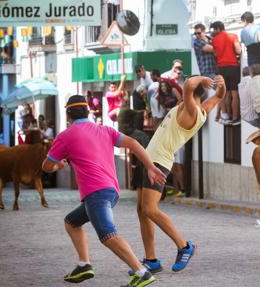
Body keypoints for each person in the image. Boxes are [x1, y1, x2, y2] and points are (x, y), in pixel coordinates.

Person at [41, 95, 166, 286]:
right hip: (111, 191)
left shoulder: (65, 136)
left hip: (96, 193)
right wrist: (150, 166)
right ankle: (84, 265)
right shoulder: (105, 130)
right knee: (72, 222)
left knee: (108, 235)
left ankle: (142, 273)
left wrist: (59, 166)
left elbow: (47, 166)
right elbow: (133, 143)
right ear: (88, 112)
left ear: (68, 115)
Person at [135, 75, 226, 274]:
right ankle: (151, 260)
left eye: (185, 94)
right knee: (142, 211)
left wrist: (202, 78)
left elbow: (187, 85)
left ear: (191, 96)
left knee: (150, 209)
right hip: (149, 159)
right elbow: (219, 95)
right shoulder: (202, 108)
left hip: (158, 161)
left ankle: (185, 246)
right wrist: (221, 83)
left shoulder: (192, 110)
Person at [209, 21, 242, 125]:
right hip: (233, 66)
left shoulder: (214, 40)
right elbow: (238, 51)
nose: (213, 32)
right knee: (234, 94)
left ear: (218, 28)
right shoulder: (233, 36)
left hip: (221, 68)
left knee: (226, 93)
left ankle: (228, 115)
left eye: (214, 29)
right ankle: (235, 117)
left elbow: (215, 53)